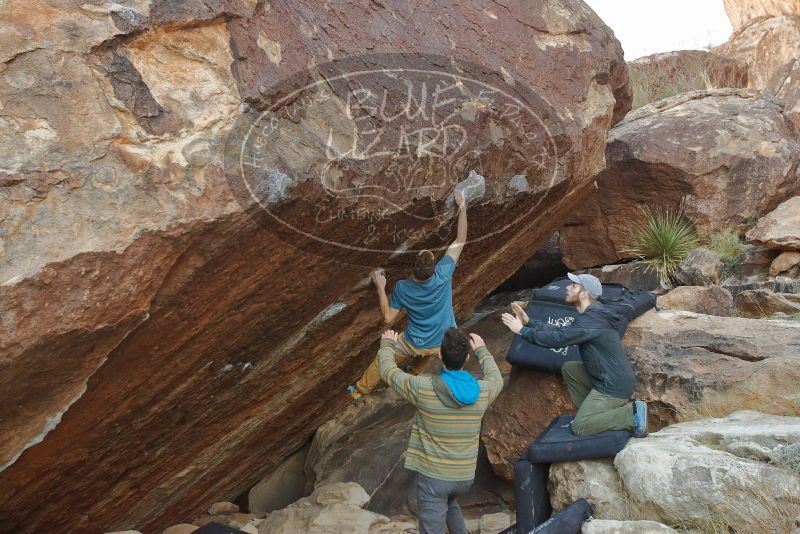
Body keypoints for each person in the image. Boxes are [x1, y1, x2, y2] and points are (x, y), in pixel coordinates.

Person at [377, 327, 503, 534]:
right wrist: (482, 350)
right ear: (467, 358)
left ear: (439, 355)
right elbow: (496, 378)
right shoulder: (483, 391)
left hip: (435, 478)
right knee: (449, 505)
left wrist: (388, 344)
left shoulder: (422, 388)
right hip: (463, 477)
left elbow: (388, 372)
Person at [347, 189, 468, 400]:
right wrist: (463, 206)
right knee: (431, 348)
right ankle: (414, 371)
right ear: (434, 268)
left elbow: (387, 318)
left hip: (414, 342)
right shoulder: (444, 273)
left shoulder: (403, 288)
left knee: (381, 359)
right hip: (443, 341)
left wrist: (380, 287)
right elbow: (461, 239)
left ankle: (359, 390)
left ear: (413, 271)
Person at [500, 273, 648, 438]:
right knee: (570, 368)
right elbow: (561, 332)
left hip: (614, 385)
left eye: (574, 286)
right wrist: (529, 322)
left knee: (579, 427)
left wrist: (522, 330)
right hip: (607, 378)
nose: (568, 288)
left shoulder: (592, 320)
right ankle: (596, 415)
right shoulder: (592, 315)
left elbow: (557, 339)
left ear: (584, 294)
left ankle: (630, 414)